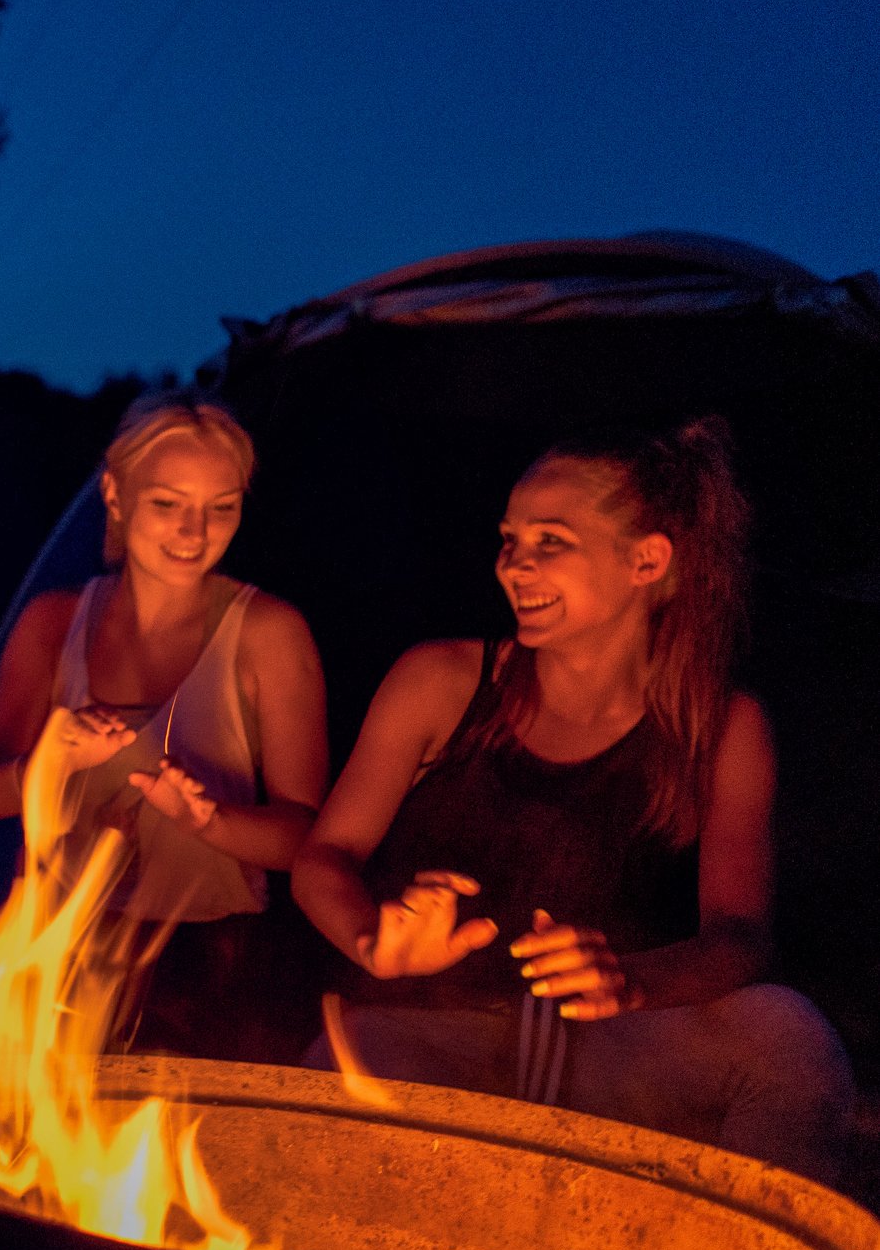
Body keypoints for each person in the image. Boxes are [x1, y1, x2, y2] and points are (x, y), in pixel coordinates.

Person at [291, 418, 854, 1184]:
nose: (513, 567)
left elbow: (742, 935)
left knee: (786, 1038)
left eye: (549, 542)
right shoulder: (442, 682)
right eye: (509, 540)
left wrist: (633, 980)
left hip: (616, 1052)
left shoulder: (724, 725)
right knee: (339, 1060)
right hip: (441, 1040)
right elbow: (326, 856)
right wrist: (371, 939)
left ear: (647, 561)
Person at [0, 390, 329, 1061]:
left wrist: (211, 823)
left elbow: (308, 840)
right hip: (60, 941)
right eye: (168, 504)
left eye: (222, 508)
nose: (194, 531)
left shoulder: (267, 633)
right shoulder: (55, 622)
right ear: (116, 494)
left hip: (211, 960)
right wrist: (45, 766)